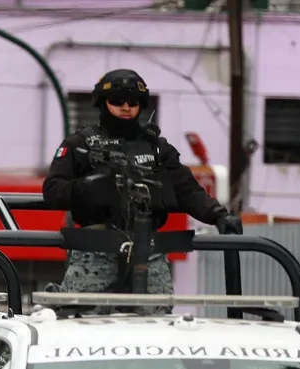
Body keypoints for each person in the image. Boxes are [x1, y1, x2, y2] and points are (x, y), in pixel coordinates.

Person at [42, 69, 242, 313]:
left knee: (158, 328)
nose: (126, 107)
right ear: (103, 103)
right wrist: (87, 188)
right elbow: (52, 191)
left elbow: (187, 190)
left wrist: (218, 215)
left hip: (149, 253)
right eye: (117, 100)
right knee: (79, 326)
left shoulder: (158, 148)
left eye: (133, 102)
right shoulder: (80, 144)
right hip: (95, 251)